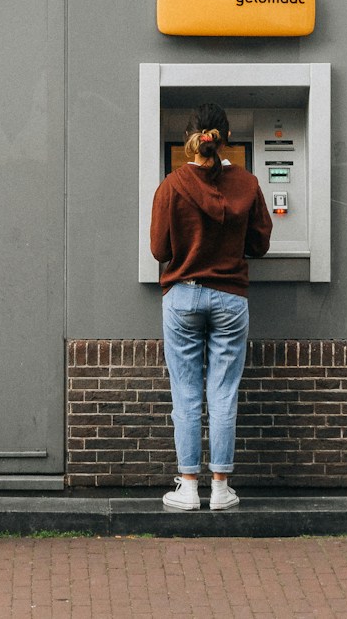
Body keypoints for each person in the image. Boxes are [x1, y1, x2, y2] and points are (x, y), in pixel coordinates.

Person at [150, 102, 272, 512]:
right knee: (223, 392)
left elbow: (159, 249)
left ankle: (187, 488)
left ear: (190, 139)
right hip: (231, 298)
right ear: (226, 140)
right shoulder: (249, 184)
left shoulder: (172, 185)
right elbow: (260, 244)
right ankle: (220, 489)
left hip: (183, 295)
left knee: (185, 393)